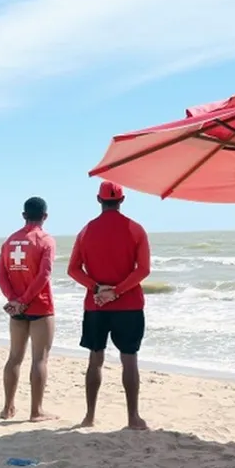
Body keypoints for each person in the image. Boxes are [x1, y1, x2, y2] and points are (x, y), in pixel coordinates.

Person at [67, 181, 151, 430]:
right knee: (129, 359)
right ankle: (133, 417)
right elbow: (143, 269)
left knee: (95, 359)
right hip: (129, 305)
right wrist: (117, 291)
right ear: (122, 200)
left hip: (96, 305)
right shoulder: (136, 229)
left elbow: (73, 269)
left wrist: (96, 288)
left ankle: (89, 416)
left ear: (98, 200)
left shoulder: (86, 231)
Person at [0, 196, 56, 421]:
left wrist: (14, 299)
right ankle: (36, 411)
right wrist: (25, 299)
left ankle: (7, 408)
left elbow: (1, 274)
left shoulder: (10, 241)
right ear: (45, 216)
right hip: (39, 304)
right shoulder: (46, 240)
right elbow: (44, 275)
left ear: (23, 215)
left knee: (14, 357)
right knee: (39, 359)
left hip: (16, 309)